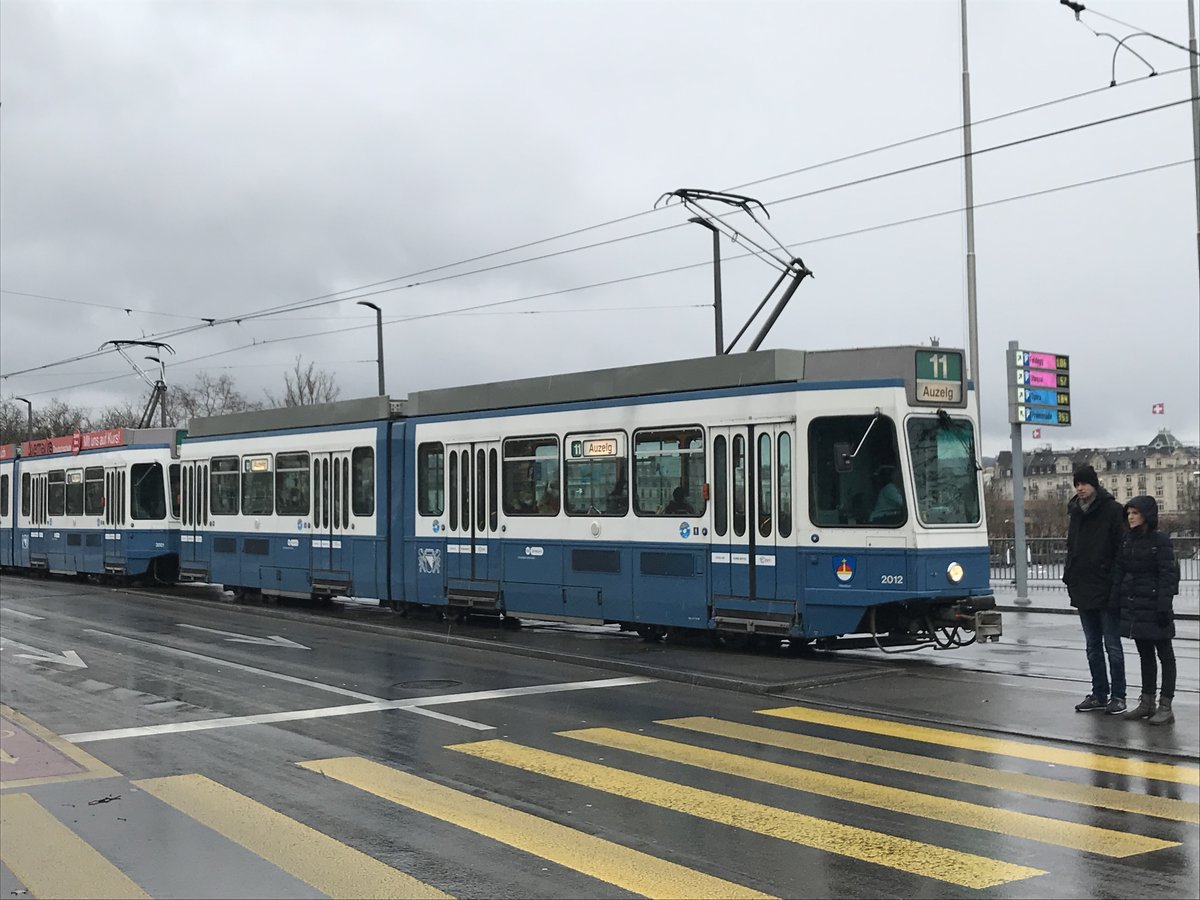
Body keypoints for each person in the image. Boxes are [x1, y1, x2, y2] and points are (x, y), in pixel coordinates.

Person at [1063, 464, 1128, 714]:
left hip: (1106, 588)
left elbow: (1120, 551)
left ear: (1094, 484)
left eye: (1084, 484)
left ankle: (1118, 695)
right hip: (1083, 587)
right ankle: (1099, 693)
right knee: (1092, 647)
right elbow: (1072, 547)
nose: (1080, 488)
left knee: (1112, 646)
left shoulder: (1112, 510)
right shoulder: (1076, 513)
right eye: (1077, 484)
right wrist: (1070, 577)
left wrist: (1115, 583)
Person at [1113, 495, 1180, 725]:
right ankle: (1147, 702)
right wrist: (1117, 599)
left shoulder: (1160, 540)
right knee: (1145, 656)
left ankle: (1165, 705)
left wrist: (1164, 605)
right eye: (1129, 513)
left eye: (1135, 513)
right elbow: (1121, 571)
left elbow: (1168, 575)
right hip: (1136, 606)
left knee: (1165, 655)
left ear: (1146, 515)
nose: (1130, 517)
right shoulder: (1127, 540)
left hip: (1154, 606)